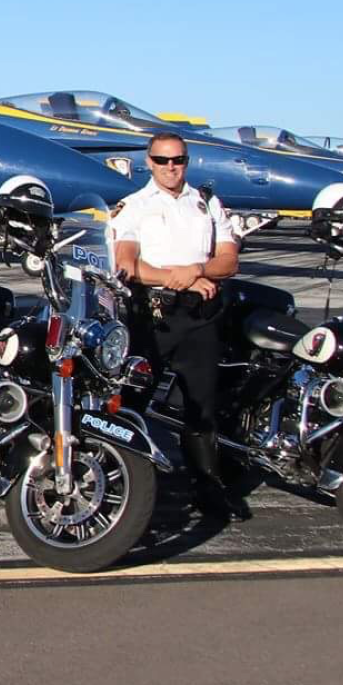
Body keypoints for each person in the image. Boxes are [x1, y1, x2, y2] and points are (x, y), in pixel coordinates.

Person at [112, 131, 249, 521]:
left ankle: (208, 489)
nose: (171, 168)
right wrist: (181, 276)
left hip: (200, 316)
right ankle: (129, 486)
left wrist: (198, 271)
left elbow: (228, 261)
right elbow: (128, 265)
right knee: (132, 404)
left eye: (178, 161)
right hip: (153, 317)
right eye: (162, 161)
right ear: (148, 162)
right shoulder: (134, 206)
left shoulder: (206, 203)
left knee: (201, 407)